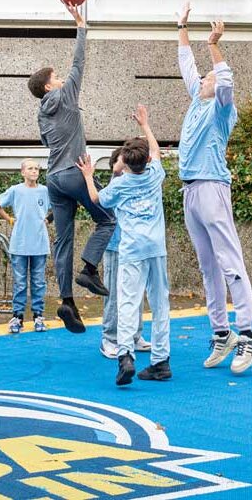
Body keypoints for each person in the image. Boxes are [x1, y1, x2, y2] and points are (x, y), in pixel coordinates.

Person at [176, 5, 252, 373]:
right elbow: (186, 65)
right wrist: (181, 25)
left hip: (212, 187)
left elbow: (225, 82)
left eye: (207, 78)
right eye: (204, 78)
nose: (203, 79)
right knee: (207, 266)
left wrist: (213, 45)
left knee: (228, 261)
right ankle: (221, 333)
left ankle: (247, 334)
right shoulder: (197, 100)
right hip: (190, 191)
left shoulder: (223, 109)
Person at [28, 0, 115, 334]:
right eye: (57, 77)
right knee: (107, 221)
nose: (63, 78)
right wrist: (81, 26)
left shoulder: (41, 113)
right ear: (49, 85)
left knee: (62, 241)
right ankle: (89, 269)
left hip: (54, 179)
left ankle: (67, 301)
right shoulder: (65, 96)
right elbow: (79, 63)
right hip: (76, 174)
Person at [79, 105, 170, 386]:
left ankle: (125, 356)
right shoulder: (155, 174)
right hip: (157, 248)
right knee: (160, 303)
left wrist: (87, 175)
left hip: (132, 250)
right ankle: (161, 361)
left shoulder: (120, 185)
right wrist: (145, 125)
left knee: (129, 302)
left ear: (125, 164)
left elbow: (96, 199)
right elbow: (155, 150)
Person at [98, 145, 149, 360]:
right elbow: (101, 200)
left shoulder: (136, 183)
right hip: (115, 246)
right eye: (122, 160)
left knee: (136, 292)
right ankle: (110, 338)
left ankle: (134, 335)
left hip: (135, 246)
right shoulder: (116, 184)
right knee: (114, 294)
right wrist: (116, 168)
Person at [0, 159, 52, 333]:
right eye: (30, 168)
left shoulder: (45, 191)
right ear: (23, 172)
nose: (34, 171)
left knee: (38, 281)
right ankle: (17, 316)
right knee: (19, 282)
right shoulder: (15, 190)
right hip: (19, 243)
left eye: (36, 168)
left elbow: (58, 206)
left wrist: (48, 219)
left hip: (40, 243)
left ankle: (38, 315)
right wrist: (9, 218)